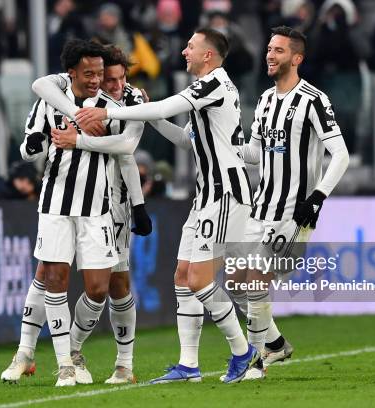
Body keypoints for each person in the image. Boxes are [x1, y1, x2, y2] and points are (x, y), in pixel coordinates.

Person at [76, 28, 258, 384]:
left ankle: (243, 352)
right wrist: (152, 118)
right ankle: (188, 365)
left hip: (225, 193)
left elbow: (163, 105)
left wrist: (117, 112)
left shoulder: (213, 83)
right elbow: (186, 141)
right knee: (182, 277)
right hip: (206, 194)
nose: (184, 52)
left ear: (208, 55)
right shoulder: (210, 89)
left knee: (199, 279)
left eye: (191, 47)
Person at [0, 39, 149, 387]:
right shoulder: (53, 98)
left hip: (106, 207)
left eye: (109, 76)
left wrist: (78, 138)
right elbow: (30, 142)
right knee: (50, 277)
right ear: (73, 74)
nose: (102, 82)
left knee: (103, 286)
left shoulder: (123, 104)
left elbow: (126, 149)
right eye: (94, 74)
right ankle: (54, 358)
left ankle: (85, 354)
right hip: (56, 203)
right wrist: (37, 144)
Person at [231, 25, 349, 380]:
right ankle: (277, 343)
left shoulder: (314, 99)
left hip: (293, 211)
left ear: (296, 58)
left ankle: (256, 360)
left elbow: (340, 155)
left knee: (254, 281)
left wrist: (317, 197)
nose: (270, 54)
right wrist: (223, 141)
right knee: (236, 283)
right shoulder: (266, 100)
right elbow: (255, 153)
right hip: (260, 207)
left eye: (279, 50)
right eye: (269, 48)